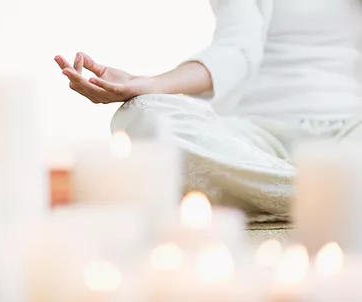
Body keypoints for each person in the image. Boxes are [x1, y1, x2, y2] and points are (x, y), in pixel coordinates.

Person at [54, 0, 362, 222]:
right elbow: (235, 48)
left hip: (350, 130)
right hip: (253, 136)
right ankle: (332, 192)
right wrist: (148, 83)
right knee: (143, 114)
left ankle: (296, 191)